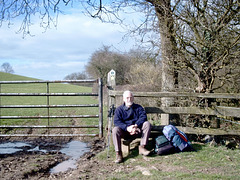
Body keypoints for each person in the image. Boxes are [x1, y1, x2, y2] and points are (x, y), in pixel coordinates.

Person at [112, 90, 151, 163]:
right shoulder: (119, 110)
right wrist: (127, 128)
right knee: (115, 130)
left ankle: (142, 147)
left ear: (133, 98)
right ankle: (119, 153)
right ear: (123, 99)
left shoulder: (138, 108)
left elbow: (143, 117)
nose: (129, 99)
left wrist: (136, 126)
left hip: (137, 130)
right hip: (124, 132)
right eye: (127, 98)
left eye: (131, 97)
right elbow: (117, 122)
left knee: (147, 124)